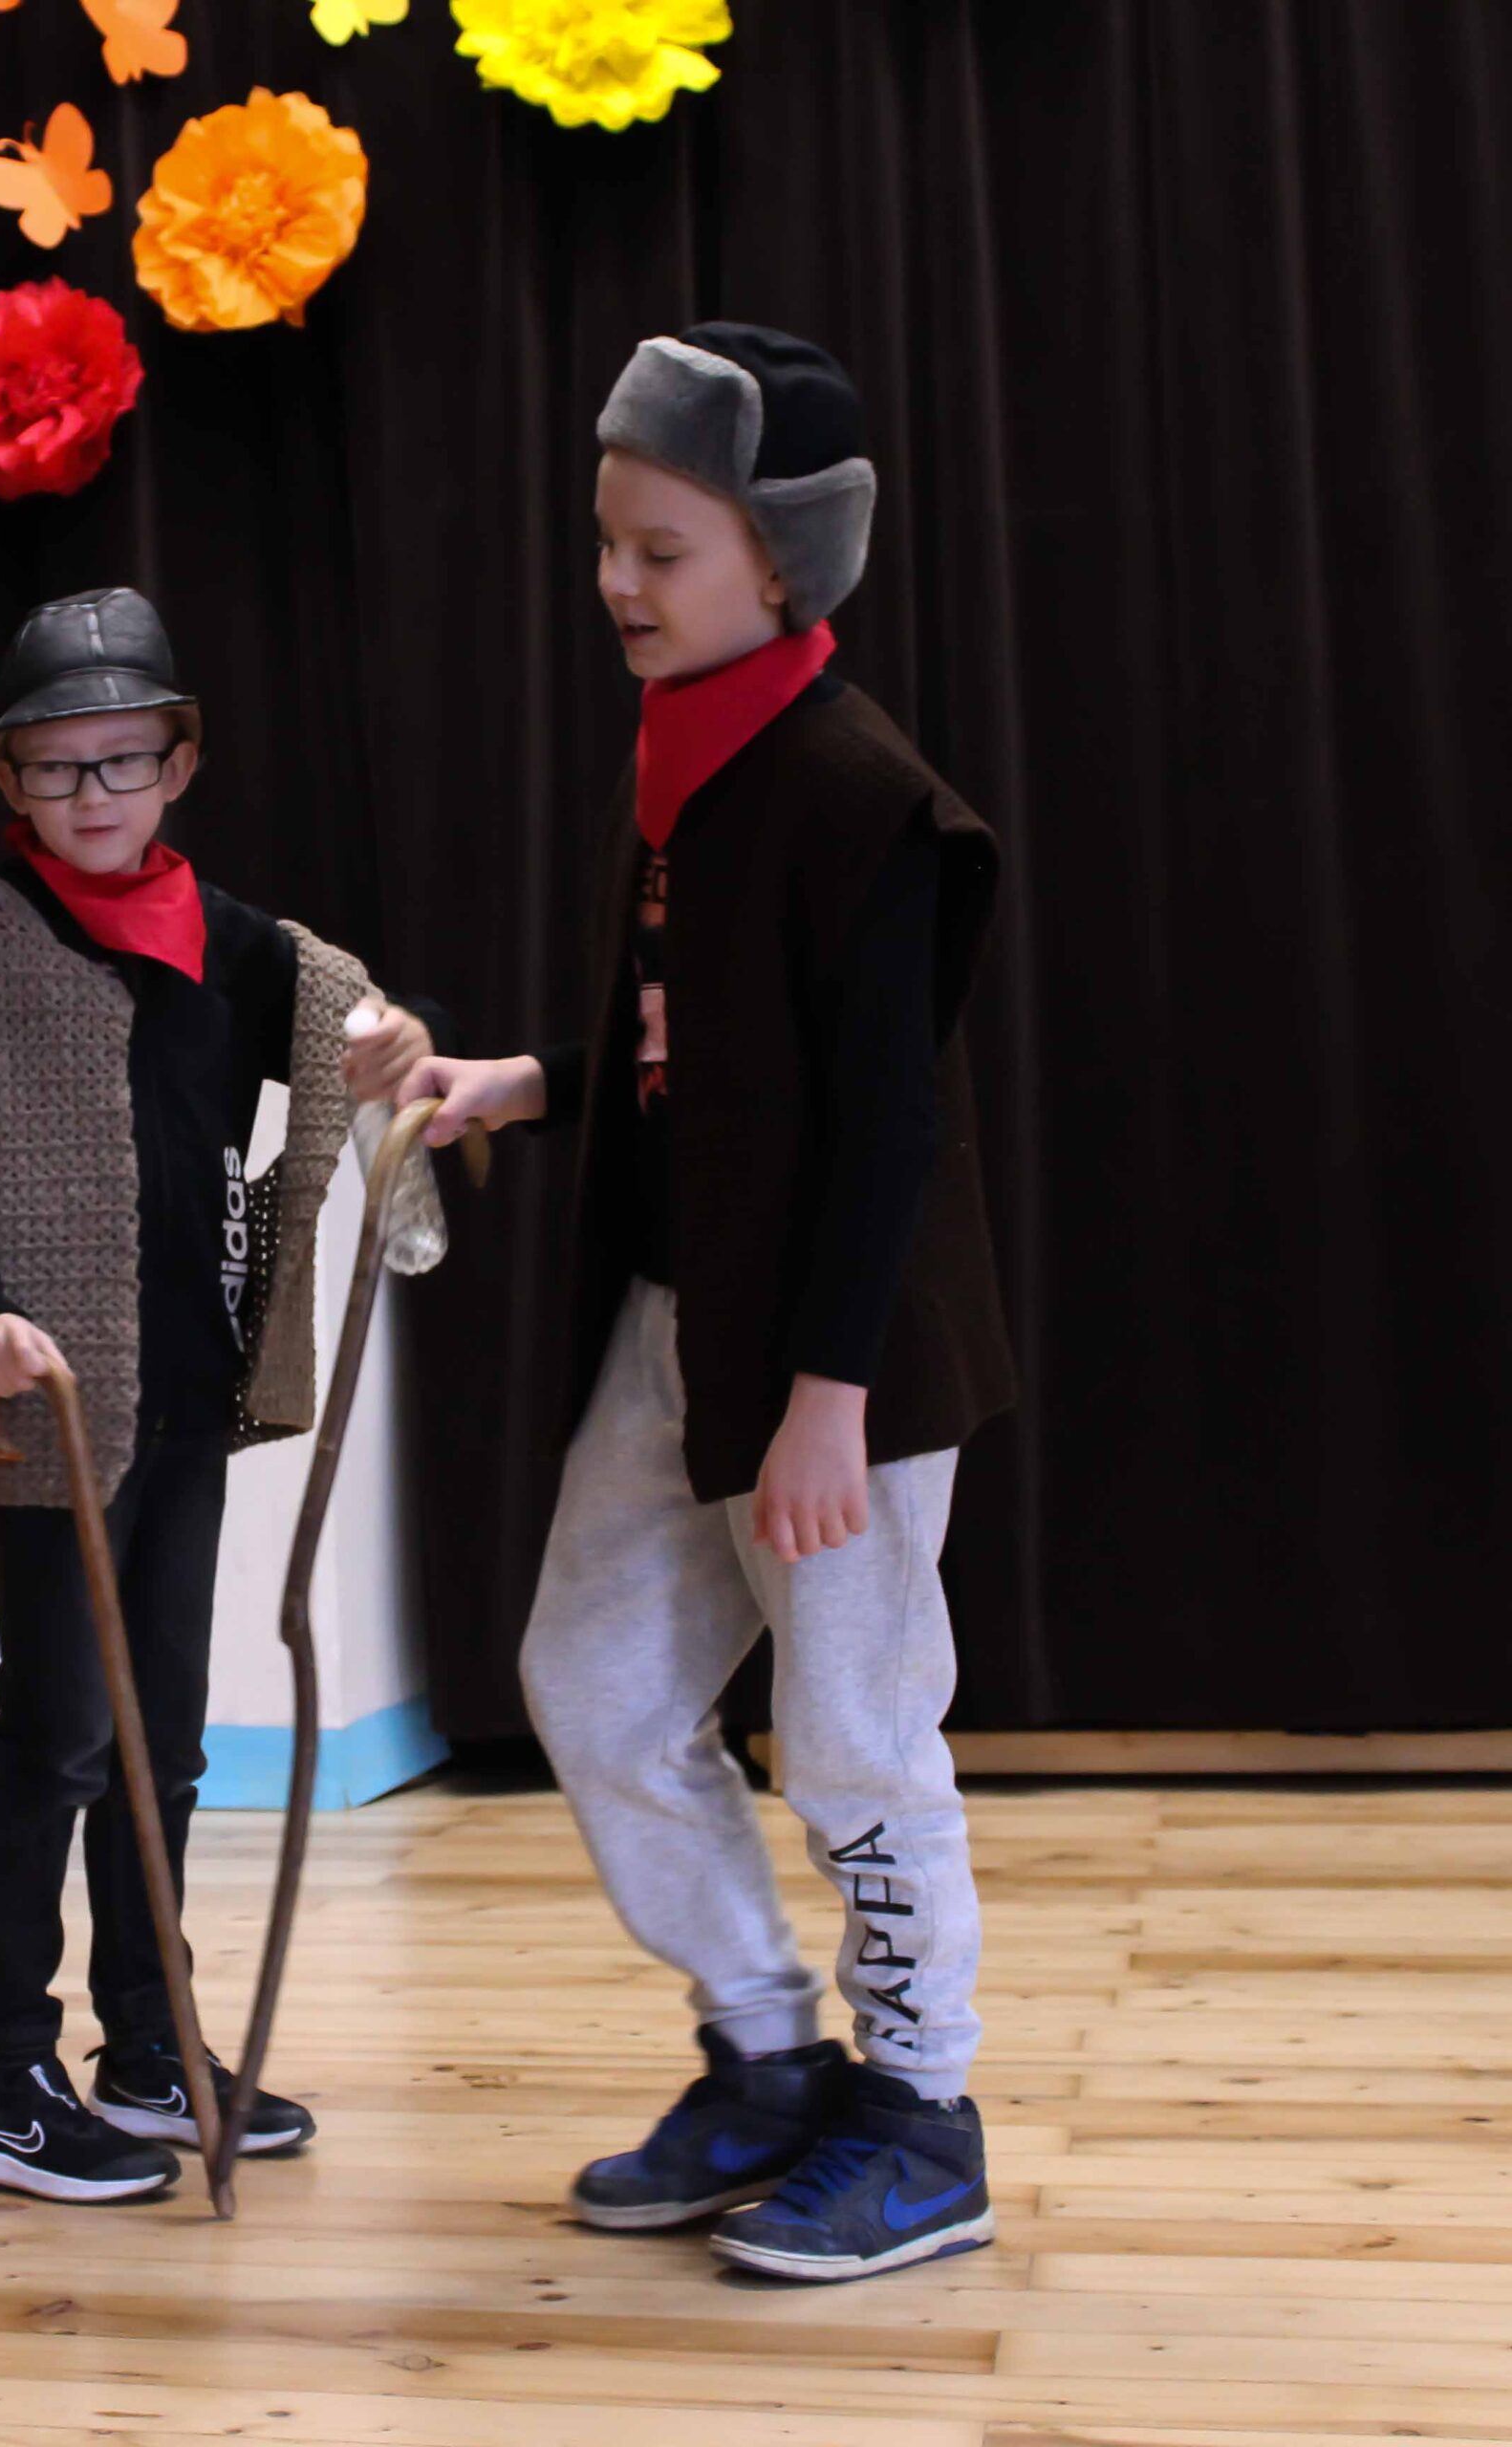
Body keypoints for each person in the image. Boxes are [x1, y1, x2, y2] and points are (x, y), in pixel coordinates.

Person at [400, 325, 1017, 2282]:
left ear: (783, 557)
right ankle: (766, 2050)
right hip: (686, 1324)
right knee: (593, 1688)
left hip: (836, 1358)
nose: (616, 582)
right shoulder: (682, 757)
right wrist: (529, 1081)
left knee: (849, 1737)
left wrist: (827, 1398)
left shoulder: (858, 795)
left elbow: (886, 1128)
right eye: (607, 542)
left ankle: (920, 2113)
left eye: (659, 550)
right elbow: (702, 1060)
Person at [0, 587, 438, 2205]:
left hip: (186, 1397)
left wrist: (402, 1049)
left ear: (179, 763)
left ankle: (150, 2039)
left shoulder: (241, 948)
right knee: (57, 1736)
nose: (92, 793)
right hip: (50, 1418)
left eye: (123, 760)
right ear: (9, 779)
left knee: (162, 1741)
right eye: (55, 766)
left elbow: (366, 1032)